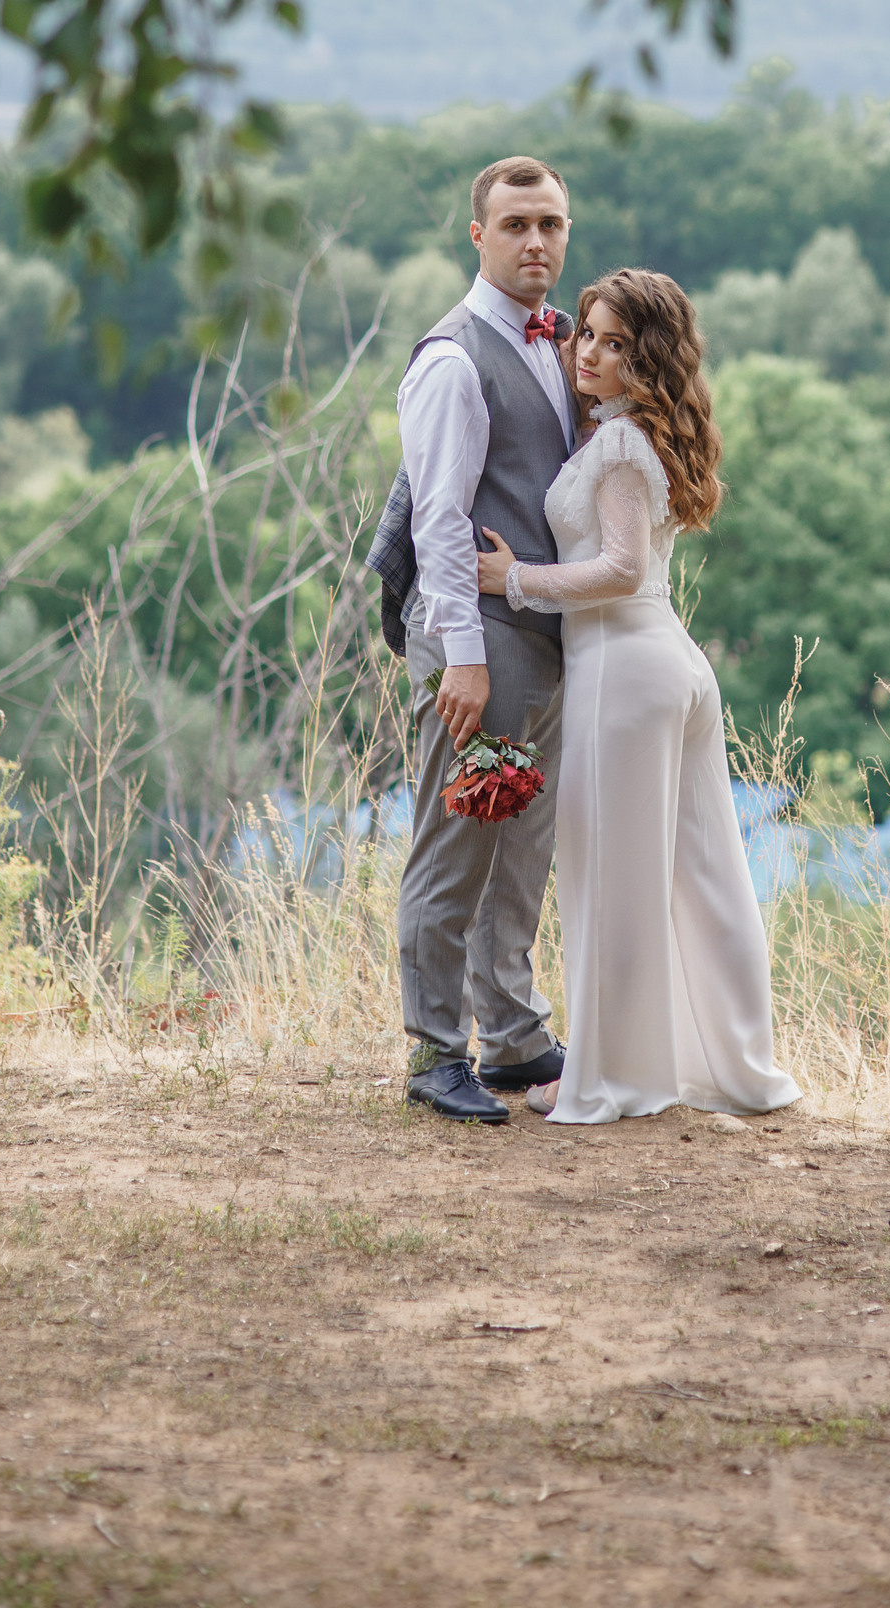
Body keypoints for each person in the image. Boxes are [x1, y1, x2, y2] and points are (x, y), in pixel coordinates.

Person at [477, 268, 799, 1126]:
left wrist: (517, 580)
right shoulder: (634, 434)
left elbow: (619, 569)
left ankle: (614, 1078)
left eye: (614, 342)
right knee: (706, 874)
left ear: (647, 356)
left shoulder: (620, 447)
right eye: (585, 332)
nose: (589, 353)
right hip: (672, 666)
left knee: (612, 882)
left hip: (622, 672)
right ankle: (741, 1067)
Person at [366, 157, 577, 1124]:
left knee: (521, 845)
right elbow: (440, 521)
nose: (536, 242)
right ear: (478, 236)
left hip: (540, 634)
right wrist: (461, 653)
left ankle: (514, 1037)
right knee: (455, 846)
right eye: (516, 225)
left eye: (551, 225)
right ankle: (434, 1050)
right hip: (474, 642)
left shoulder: (558, 342)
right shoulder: (451, 360)